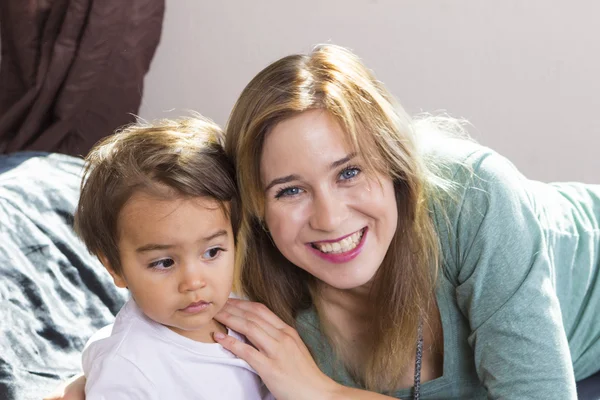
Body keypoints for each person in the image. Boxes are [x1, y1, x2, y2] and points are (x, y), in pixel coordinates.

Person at [48, 45, 600, 399]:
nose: (330, 219)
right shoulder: (247, 272)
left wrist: (320, 392)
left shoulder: (476, 197)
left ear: (395, 167)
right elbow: (153, 327)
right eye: (290, 190)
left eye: (349, 172)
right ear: (254, 211)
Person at [73, 116, 273, 399]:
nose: (193, 282)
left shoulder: (247, 308)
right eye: (164, 262)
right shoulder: (127, 374)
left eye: (212, 252)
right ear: (114, 267)